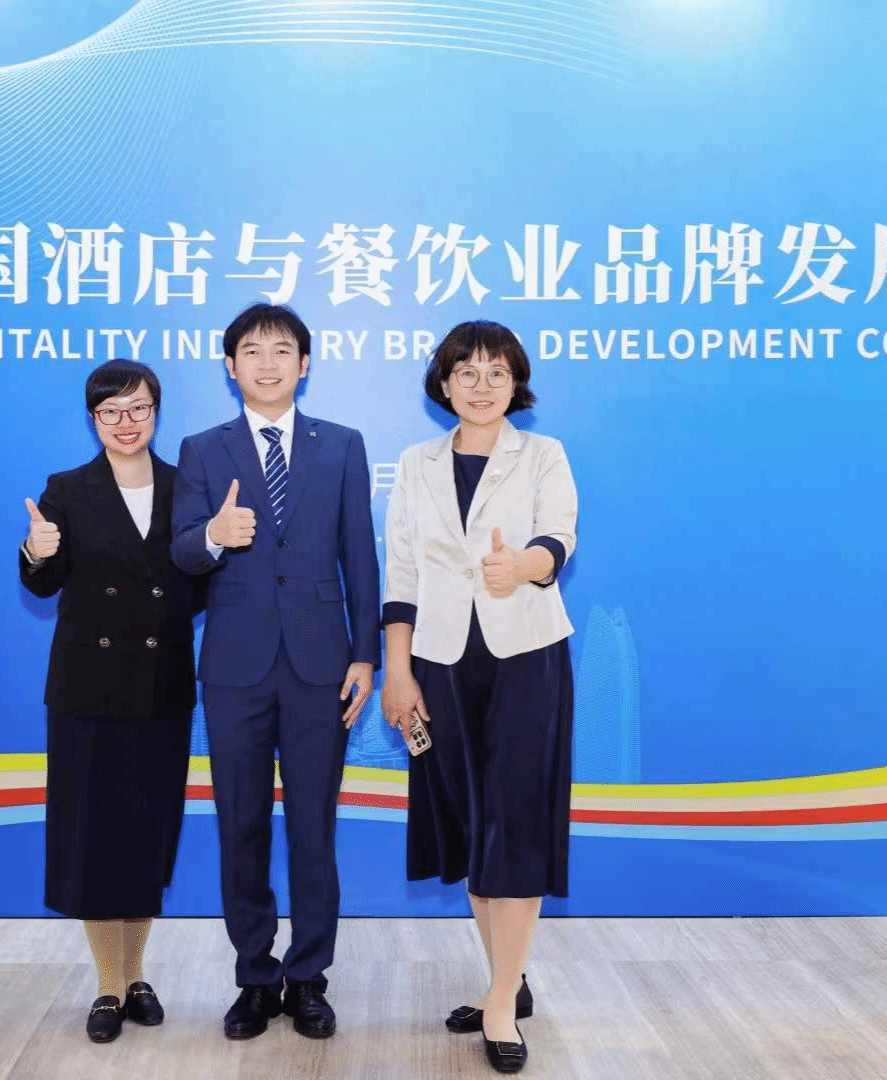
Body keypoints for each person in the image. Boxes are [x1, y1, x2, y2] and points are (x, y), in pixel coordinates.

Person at [170, 303, 380, 1041]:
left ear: (305, 363)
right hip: (235, 667)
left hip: (322, 664)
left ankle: (309, 977)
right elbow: (182, 550)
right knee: (242, 825)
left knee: (314, 827)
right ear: (230, 366)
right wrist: (213, 535)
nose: (267, 363)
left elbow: (360, 554)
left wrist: (366, 654)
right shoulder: (203, 449)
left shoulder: (342, 445)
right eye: (252, 352)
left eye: (282, 350)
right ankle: (255, 978)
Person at [379, 321, 578, 1075]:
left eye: (497, 371)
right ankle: (508, 980)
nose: (482, 384)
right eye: (467, 371)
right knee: (471, 824)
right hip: (438, 662)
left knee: (515, 822)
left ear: (515, 382)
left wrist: (523, 565)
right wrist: (398, 670)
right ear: (444, 384)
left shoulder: (544, 454)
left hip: (526, 656)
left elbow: (560, 538)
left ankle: (499, 1002)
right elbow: (401, 572)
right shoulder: (416, 463)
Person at [18, 360, 206, 1045]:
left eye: (138, 408)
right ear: (93, 418)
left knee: (146, 836)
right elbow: (44, 584)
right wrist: (36, 551)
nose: (126, 423)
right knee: (94, 839)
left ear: (157, 411)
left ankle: (135, 974)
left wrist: (219, 546)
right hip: (88, 690)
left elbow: (199, 585)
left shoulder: (188, 487)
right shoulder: (67, 490)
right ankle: (108, 985)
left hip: (161, 685)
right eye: (111, 412)